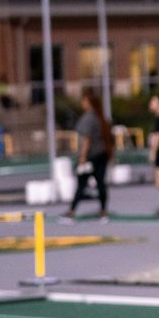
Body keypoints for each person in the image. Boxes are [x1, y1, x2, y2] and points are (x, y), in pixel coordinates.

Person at [62, 90, 114, 223]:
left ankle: (71, 212)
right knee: (101, 183)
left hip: (91, 156)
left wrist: (83, 157)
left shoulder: (88, 118)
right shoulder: (100, 117)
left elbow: (86, 139)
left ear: (89, 103)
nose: (82, 103)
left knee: (82, 184)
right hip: (102, 154)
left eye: (84, 101)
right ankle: (103, 211)